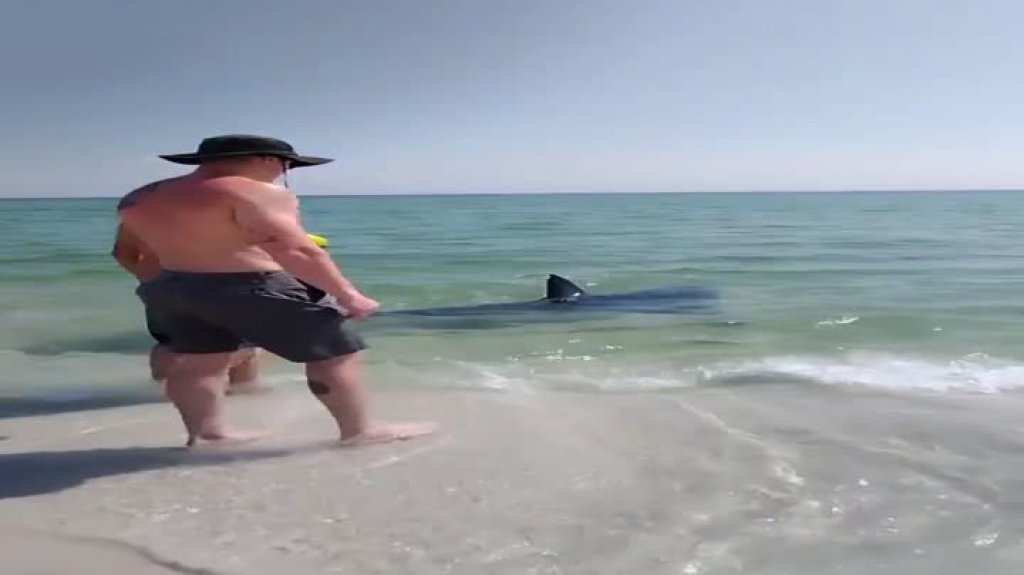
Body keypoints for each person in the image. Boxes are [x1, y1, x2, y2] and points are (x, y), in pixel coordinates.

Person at [116, 134, 435, 447]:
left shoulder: (140, 198)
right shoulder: (256, 192)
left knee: (199, 361)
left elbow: (130, 250)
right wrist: (349, 295)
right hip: (251, 283)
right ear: (266, 159)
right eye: (287, 165)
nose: (285, 173)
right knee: (336, 350)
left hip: (172, 285)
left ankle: (209, 433)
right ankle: (360, 430)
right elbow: (297, 250)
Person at [111, 223, 264, 393]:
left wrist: (151, 278)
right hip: (226, 287)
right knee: (244, 348)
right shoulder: (232, 204)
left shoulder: (144, 205)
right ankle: (243, 399)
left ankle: (163, 404)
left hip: (166, 289)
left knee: (171, 346)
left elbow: (122, 253)